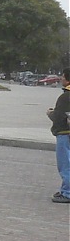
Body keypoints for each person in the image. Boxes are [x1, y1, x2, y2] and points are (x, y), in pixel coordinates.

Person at [47, 68, 70, 203]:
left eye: (63, 76)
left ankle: (67, 192)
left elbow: (59, 116)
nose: (61, 78)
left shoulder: (65, 97)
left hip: (64, 134)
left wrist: (51, 113)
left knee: (66, 164)